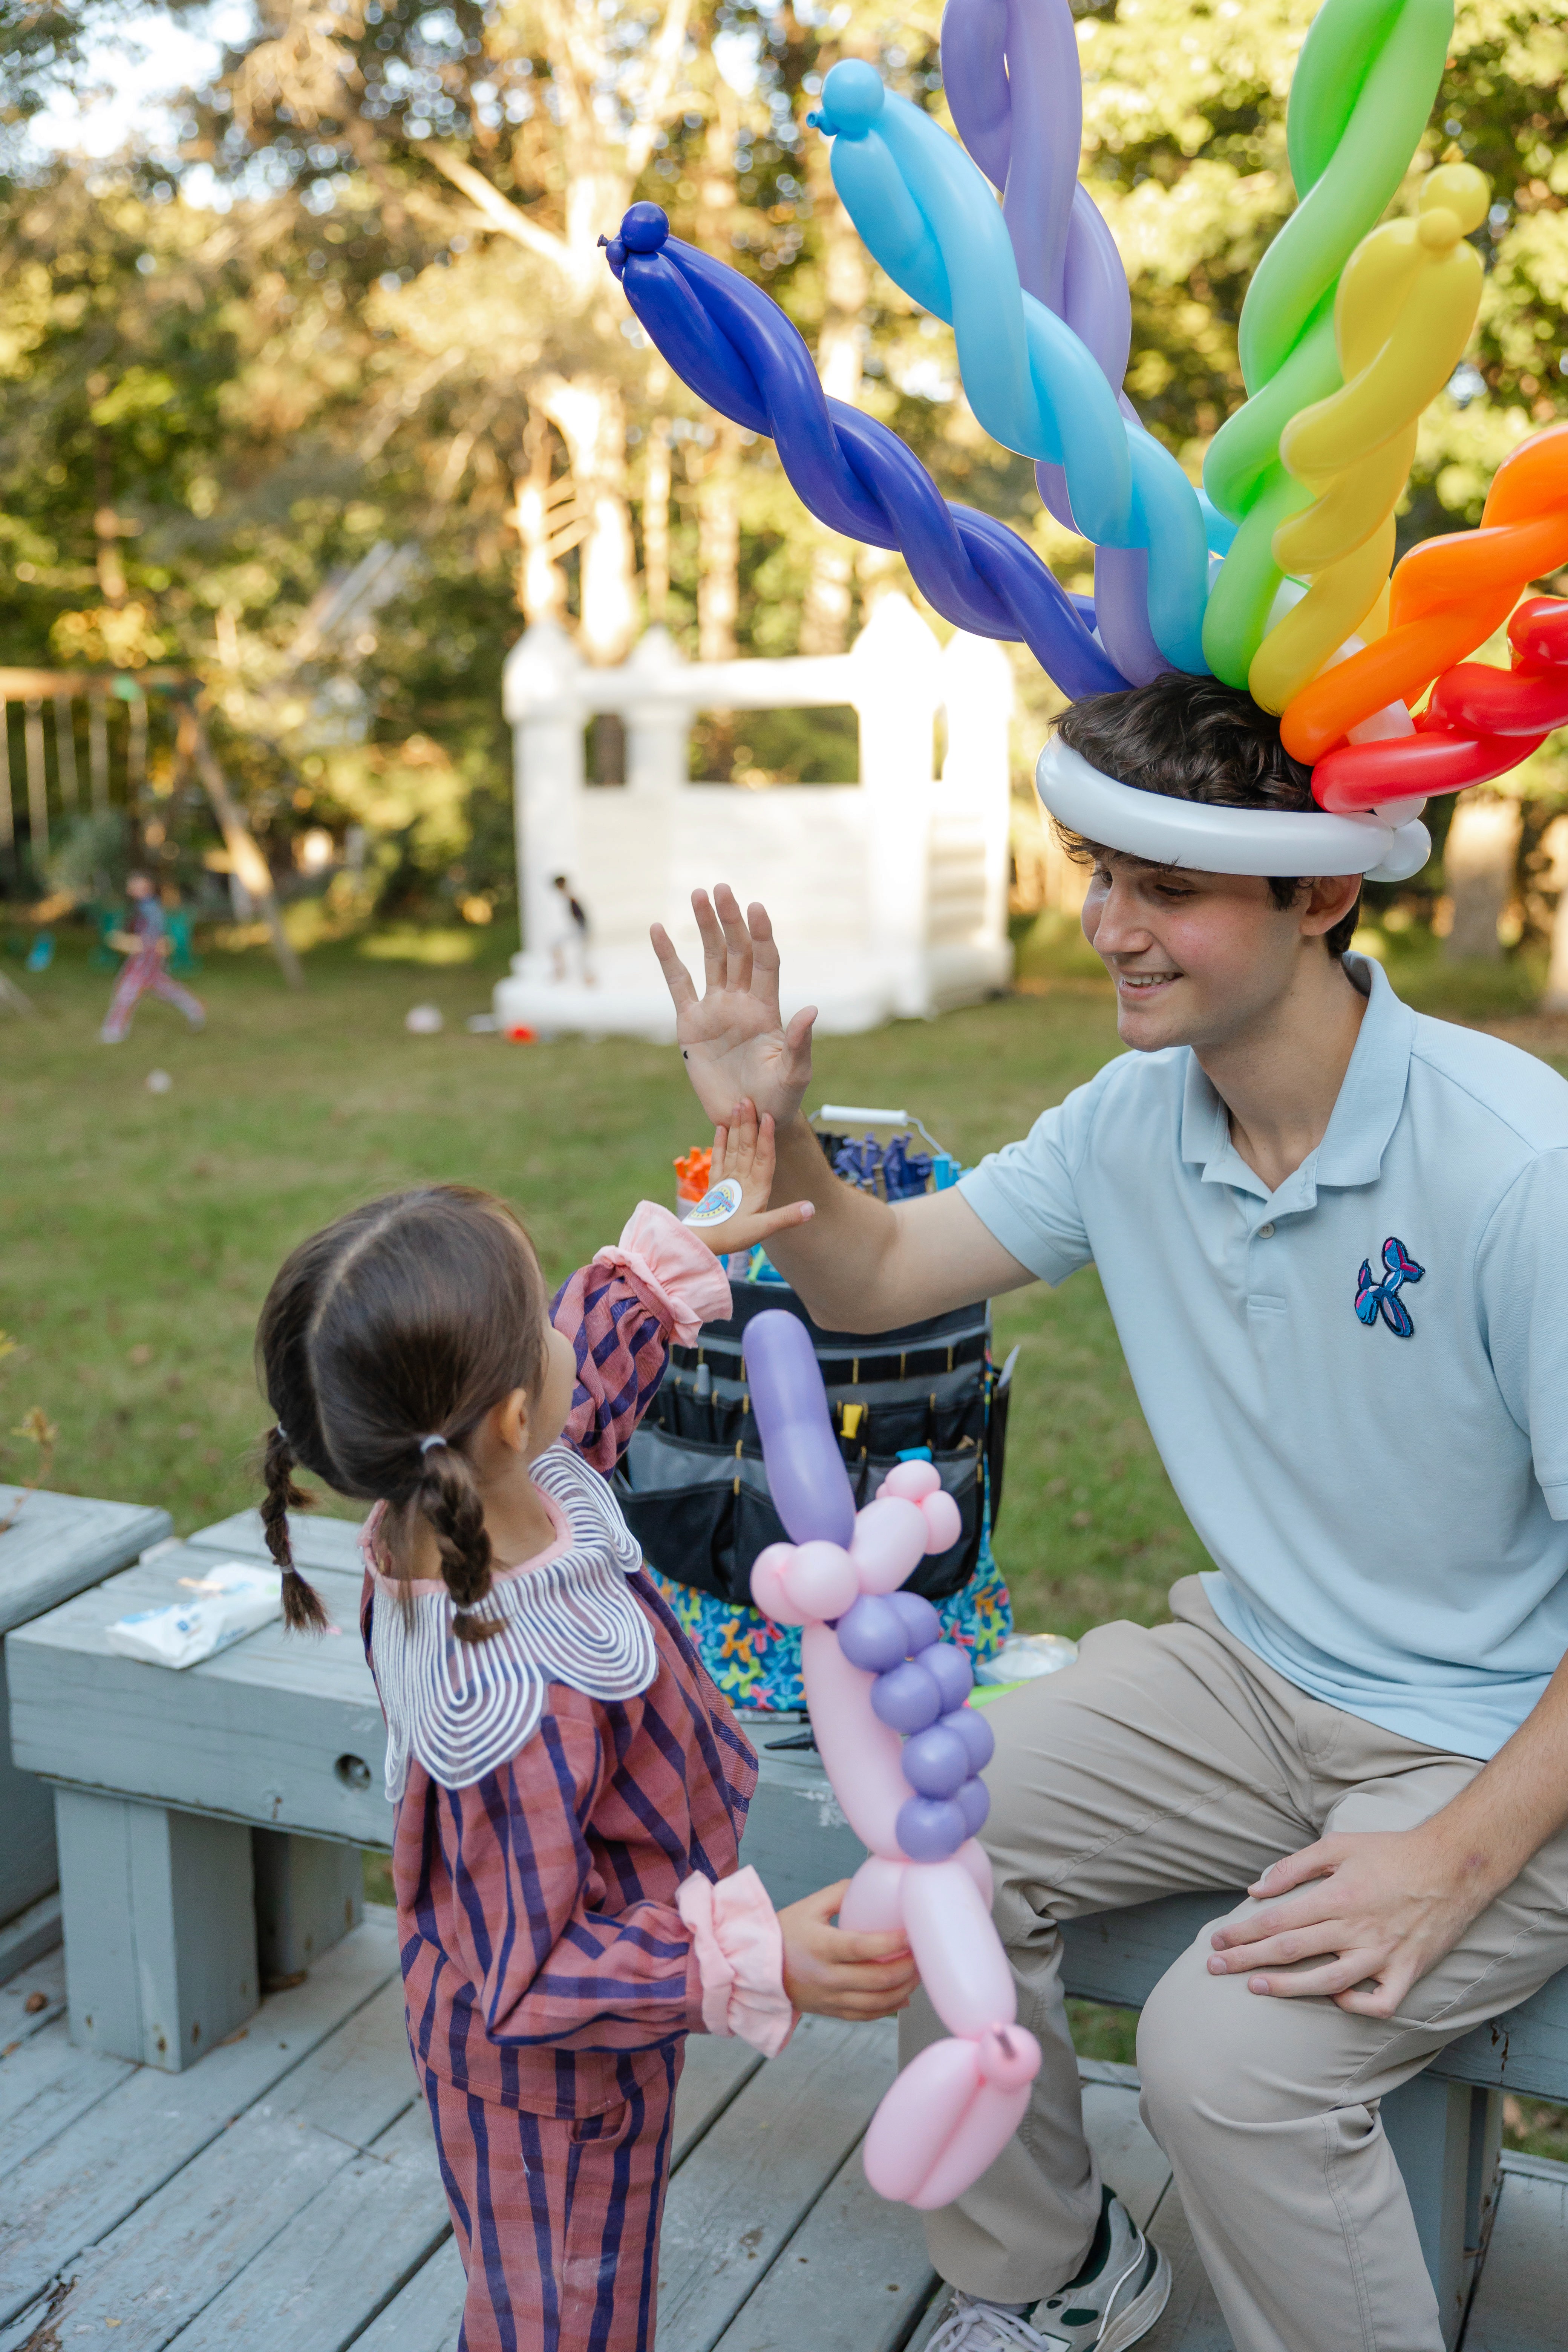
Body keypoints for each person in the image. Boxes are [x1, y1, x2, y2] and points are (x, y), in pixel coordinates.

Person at [651, 672, 1568, 2352]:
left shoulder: (1518, 1170)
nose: (1112, 928)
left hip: (1502, 1742)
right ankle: (1054, 2279)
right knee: (925, 1847)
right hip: (1256, 1672)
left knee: (1232, 2074)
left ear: (1322, 893)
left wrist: (1447, 1861)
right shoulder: (1134, 1119)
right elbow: (874, 1276)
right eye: (1102, 873)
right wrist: (761, 1120)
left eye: (1170, 889)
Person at [253, 1113, 919, 2352]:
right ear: (508, 1419)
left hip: (609, 2022)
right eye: (545, 1320)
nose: (574, 1326)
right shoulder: (515, 1704)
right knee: (565, 2314)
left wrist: (679, 1253)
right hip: (543, 2084)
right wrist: (754, 1959)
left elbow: (591, 1380)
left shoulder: (472, 1501)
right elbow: (533, 1976)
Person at [100, 871, 204, 1044]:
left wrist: (135, 943)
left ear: (147, 887)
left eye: (138, 885)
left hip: (146, 956)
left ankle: (114, 1030)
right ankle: (195, 1008)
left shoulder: (150, 907)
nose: (133, 888)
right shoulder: (140, 906)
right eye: (132, 885)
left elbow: (153, 935)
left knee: (128, 989)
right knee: (161, 986)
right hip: (146, 956)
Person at [550, 871, 595, 985]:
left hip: (580, 928)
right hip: (578, 928)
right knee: (559, 947)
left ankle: (585, 978)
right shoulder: (568, 897)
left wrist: (583, 929)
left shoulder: (570, 897)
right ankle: (562, 972)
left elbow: (580, 916)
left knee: (582, 956)